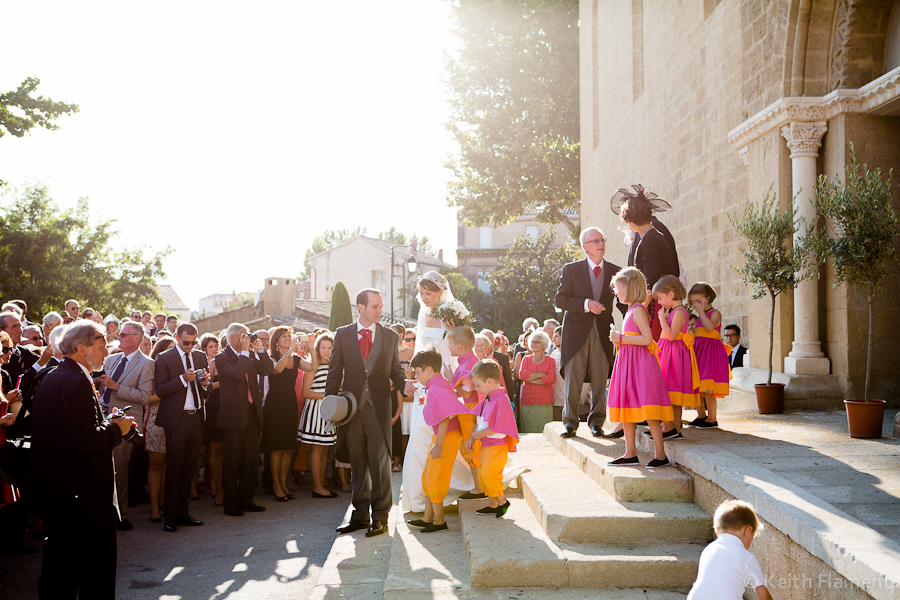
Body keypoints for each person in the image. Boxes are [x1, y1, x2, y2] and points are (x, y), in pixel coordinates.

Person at [31, 319, 135, 600]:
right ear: (81, 348)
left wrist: (108, 421)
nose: (105, 354)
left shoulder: (52, 375)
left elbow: (70, 430)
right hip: (83, 500)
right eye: (101, 347)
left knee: (59, 574)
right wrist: (117, 429)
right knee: (93, 577)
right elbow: (83, 440)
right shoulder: (75, 380)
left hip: (62, 497)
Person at [327, 289, 413, 537]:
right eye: (375, 306)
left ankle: (381, 516)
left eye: (381, 306)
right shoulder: (343, 334)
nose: (380, 311)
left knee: (380, 464)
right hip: (351, 409)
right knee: (358, 463)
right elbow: (334, 372)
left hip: (378, 407)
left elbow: (396, 370)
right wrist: (330, 406)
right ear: (361, 307)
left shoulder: (388, 336)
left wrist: (403, 383)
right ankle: (360, 515)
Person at [401, 272, 469, 513]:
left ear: (441, 293)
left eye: (428, 293)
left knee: (432, 433)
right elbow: (420, 348)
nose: (423, 298)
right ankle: (418, 494)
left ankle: (437, 490)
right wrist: (414, 378)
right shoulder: (423, 313)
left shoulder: (452, 316)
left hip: (443, 379)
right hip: (425, 381)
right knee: (420, 433)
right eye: (421, 293)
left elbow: (455, 349)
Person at [554, 227, 623, 439]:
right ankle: (570, 423)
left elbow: (624, 302)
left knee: (600, 378)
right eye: (595, 241)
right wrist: (586, 304)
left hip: (603, 332)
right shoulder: (571, 270)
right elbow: (561, 300)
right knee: (573, 378)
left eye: (602, 239)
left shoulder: (615, 270)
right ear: (585, 247)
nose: (600, 243)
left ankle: (597, 422)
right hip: (576, 333)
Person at [607, 267, 674, 469]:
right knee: (628, 407)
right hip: (629, 363)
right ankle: (630, 453)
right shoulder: (630, 310)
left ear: (629, 286)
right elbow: (634, 338)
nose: (616, 291)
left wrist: (621, 338)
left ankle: (661, 455)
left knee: (649, 408)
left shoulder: (637, 310)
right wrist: (619, 340)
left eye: (618, 287)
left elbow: (647, 339)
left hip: (640, 365)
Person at [97, 321, 155, 531]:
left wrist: (117, 387)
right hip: (102, 416)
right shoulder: (111, 359)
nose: (119, 337)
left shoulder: (146, 363)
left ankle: (121, 514)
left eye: (123, 335)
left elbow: (145, 396)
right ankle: (102, 512)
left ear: (137, 338)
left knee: (119, 468)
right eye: (119, 334)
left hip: (125, 421)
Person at [406, 347, 469, 534]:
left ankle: (439, 520)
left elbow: (445, 417)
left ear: (428, 370)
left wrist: (439, 444)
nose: (417, 377)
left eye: (418, 373)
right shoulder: (436, 384)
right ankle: (428, 516)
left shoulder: (437, 387)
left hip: (446, 437)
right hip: (442, 436)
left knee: (435, 477)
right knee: (428, 475)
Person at [154, 323, 210, 532]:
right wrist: (182, 379)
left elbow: (207, 388)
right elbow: (160, 390)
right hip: (177, 420)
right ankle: (170, 516)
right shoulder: (164, 358)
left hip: (196, 417)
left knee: (190, 468)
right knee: (175, 467)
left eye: (193, 342)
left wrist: (205, 382)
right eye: (186, 342)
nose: (190, 346)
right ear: (177, 338)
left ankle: (183, 513)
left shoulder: (199, 356)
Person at [216, 322, 274, 516]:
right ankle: (231, 503)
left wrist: (261, 351)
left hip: (252, 413)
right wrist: (244, 353)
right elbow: (237, 375)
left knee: (250, 459)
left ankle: (246, 499)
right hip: (233, 416)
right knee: (232, 461)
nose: (248, 339)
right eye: (244, 336)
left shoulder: (248, 355)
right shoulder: (222, 358)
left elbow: (267, 369)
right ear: (233, 338)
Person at [264, 326, 313, 501]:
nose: (287, 338)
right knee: (277, 448)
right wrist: (290, 351)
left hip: (290, 404)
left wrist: (312, 347)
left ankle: (284, 483)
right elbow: (277, 369)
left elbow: (313, 366)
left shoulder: (296, 358)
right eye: (284, 336)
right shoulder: (271, 358)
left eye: (289, 336)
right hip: (275, 404)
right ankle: (276, 485)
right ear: (276, 340)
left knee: (287, 447)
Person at [687, 500, 772, 600]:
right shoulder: (747, 557)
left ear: (717, 532)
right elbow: (763, 595)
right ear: (747, 531)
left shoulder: (708, 550)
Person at [467, 359, 519, 517]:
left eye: (478, 385)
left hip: (496, 446)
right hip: (486, 445)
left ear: (489, 381)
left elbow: (496, 427)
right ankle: (492, 504)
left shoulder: (501, 400)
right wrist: (472, 436)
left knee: (490, 475)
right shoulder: (487, 398)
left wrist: (476, 435)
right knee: (484, 474)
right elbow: (478, 419)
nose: (477, 389)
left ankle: (502, 501)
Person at [652, 275, 700, 439]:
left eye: (660, 297)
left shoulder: (679, 312)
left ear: (671, 294)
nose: (659, 302)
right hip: (669, 353)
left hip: (674, 356)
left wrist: (661, 320)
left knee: (670, 391)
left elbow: (671, 335)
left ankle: (671, 427)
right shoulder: (675, 311)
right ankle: (673, 429)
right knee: (671, 393)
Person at [300, 333, 338, 497]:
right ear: (317, 348)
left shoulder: (334, 366)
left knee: (324, 450)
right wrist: (326, 396)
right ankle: (317, 487)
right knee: (317, 449)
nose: (326, 351)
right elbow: (305, 392)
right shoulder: (312, 366)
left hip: (330, 411)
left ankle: (321, 485)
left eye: (330, 348)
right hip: (316, 411)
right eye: (323, 347)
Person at [688, 283, 731, 429]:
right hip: (699, 351)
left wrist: (700, 312)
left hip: (711, 354)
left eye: (700, 302)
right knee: (697, 386)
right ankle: (701, 415)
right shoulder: (699, 315)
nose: (697, 305)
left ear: (708, 297)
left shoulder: (715, 313)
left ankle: (712, 418)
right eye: (694, 303)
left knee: (707, 387)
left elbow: (709, 327)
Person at [145, 337, 176, 523]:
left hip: (175, 419)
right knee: (156, 464)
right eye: (170, 349)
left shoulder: (180, 369)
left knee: (169, 465)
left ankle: (165, 503)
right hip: (156, 419)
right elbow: (147, 398)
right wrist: (172, 389)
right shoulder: (151, 368)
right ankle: (154, 507)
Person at [199, 333, 225, 506]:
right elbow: (207, 388)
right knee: (213, 450)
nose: (215, 349)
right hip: (214, 407)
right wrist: (224, 382)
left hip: (227, 405)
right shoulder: (211, 364)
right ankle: (216, 485)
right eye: (211, 346)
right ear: (204, 349)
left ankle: (218, 484)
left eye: (216, 345)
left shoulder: (224, 360)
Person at [517, 330, 557, 433]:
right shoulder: (526, 359)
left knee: (544, 431)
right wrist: (542, 375)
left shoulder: (550, 360)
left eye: (536, 342)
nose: (533, 344)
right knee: (527, 430)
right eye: (532, 342)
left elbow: (551, 379)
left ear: (543, 344)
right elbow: (522, 375)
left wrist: (530, 378)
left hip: (545, 401)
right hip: (527, 401)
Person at [389, 324, 411, 472]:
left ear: (402, 335)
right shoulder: (386, 352)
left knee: (406, 432)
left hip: (407, 397)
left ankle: (403, 461)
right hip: (391, 393)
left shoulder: (410, 353)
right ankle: (392, 460)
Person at [481, 329, 514, 394]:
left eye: (491, 339)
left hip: (499, 395)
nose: (489, 341)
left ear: (494, 341)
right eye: (485, 339)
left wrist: (511, 401)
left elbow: (508, 381)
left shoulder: (503, 358)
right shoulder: (476, 357)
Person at [549, 327, 566, 421]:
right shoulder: (553, 353)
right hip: (555, 398)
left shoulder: (570, 353)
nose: (553, 339)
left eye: (556, 336)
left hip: (566, 399)